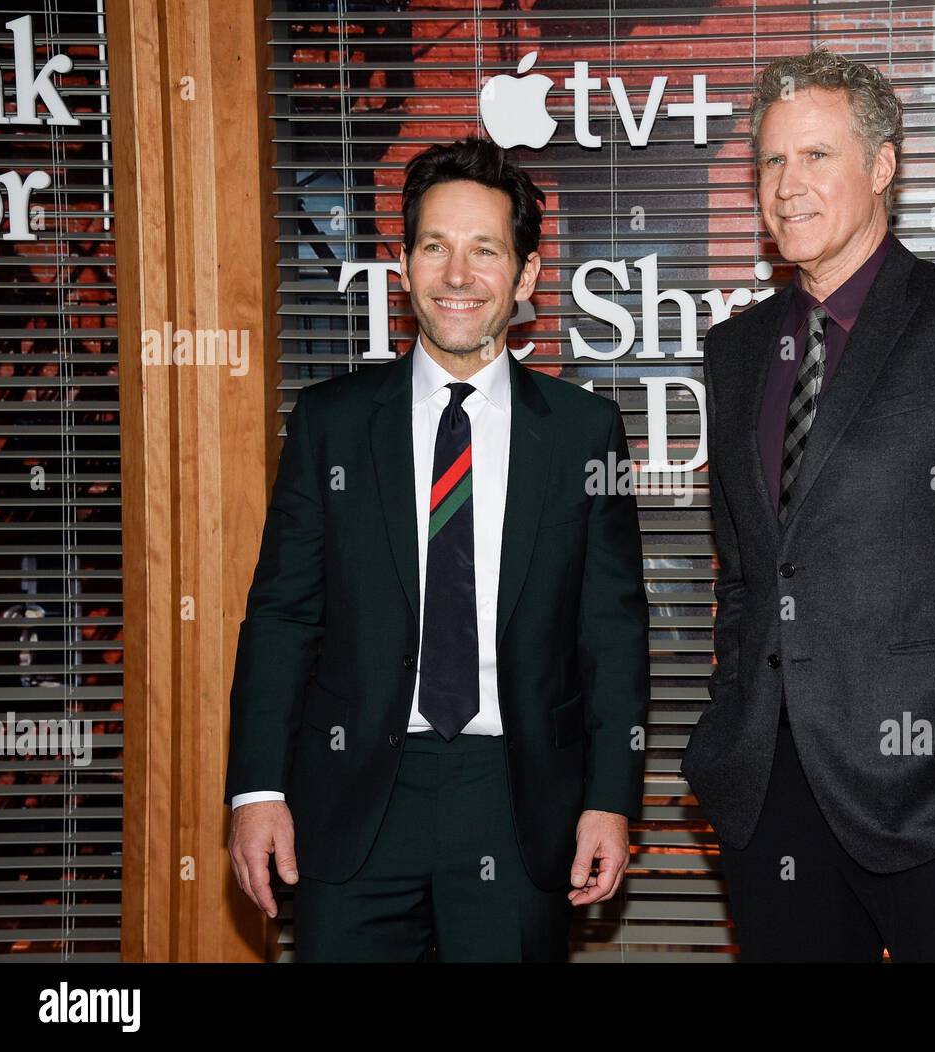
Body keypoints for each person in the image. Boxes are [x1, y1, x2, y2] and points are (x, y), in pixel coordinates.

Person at [682, 47, 935, 962]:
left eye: (817, 156)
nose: (787, 185)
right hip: (770, 797)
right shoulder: (737, 351)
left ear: (882, 167)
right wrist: (727, 737)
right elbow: (749, 576)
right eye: (771, 161)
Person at [225, 137, 649, 961]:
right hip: (352, 807)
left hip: (518, 800)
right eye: (434, 247)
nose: (457, 275)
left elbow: (612, 631)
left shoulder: (582, 435)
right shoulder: (331, 423)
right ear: (405, 265)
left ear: (525, 277)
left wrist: (609, 799)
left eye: (484, 250)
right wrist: (257, 788)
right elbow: (281, 616)